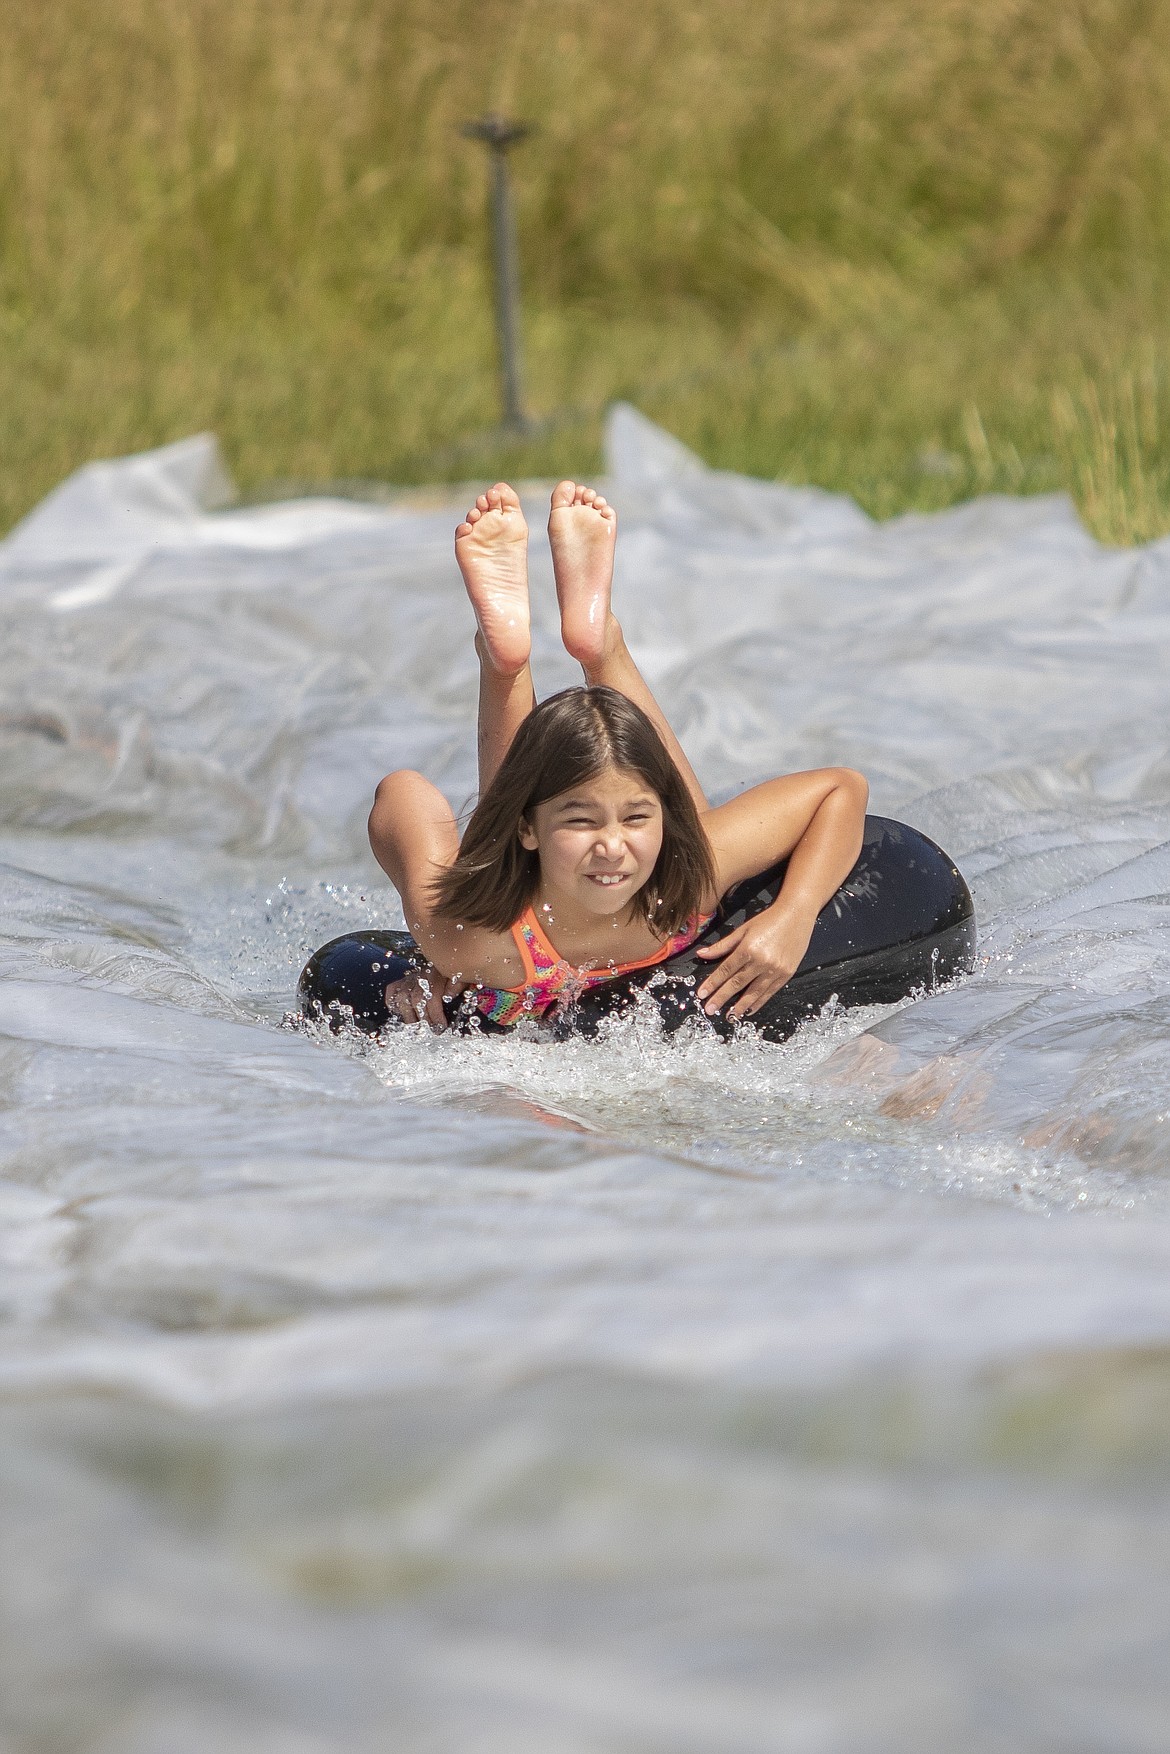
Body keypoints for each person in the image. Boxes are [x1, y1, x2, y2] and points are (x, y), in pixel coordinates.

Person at [367, 480, 868, 1032]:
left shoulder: (693, 872)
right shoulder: (470, 939)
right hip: (520, 927)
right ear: (531, 832)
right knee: (491, 859)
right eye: (581, 822)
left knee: (665, 819)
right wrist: (430, 954)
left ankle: (572, 645)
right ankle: (518, 658)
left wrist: (791, 918)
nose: (611, 845)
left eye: (636, 818)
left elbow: (842, 788)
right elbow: (401, 795)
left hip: (592, 906)